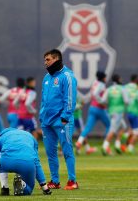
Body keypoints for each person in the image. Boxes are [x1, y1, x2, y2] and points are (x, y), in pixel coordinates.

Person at [40, 49, 78, 190]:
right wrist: (41, 115)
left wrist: (65, 117)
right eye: (45, 60)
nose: (45, 63)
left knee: (67, 150)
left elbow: (70, 98)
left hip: (61, 121)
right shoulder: (47, 78)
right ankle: (55, 181)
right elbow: (44, 99)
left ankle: (72, 181)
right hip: (47, 121)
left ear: (56, 59)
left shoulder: (67, 76)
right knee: (50, 153)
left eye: (48, 59)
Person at [0, 128, 52, 196]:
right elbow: (36, 162)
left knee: (0, 156)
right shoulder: (30, 136)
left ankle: (5, 188)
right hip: (27, 163)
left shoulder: (1, 139)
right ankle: (23, 185)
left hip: (7, 162)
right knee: (28, 189)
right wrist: (45, 187)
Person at [75, 71, 110, 153]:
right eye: (105, 77)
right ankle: (105, 145)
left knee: (87, 127)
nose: (105, 79)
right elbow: (95, 93)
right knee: (109, 125)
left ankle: (79, 142)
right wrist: (101, 101)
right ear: (102, 78)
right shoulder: (101, 85)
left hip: (92, 107)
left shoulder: (95, 83)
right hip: (100, 109)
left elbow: (92, 94)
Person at [101, 74, 128, 155]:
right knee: (113, 130)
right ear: (119, 79)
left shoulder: (109, 89)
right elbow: (126, 101)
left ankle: (117, 144)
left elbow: (103, 101)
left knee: (123, 127)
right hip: (119, 112)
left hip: (111, 112)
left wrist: (110, 103)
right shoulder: (122, 89)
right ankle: (105, 146)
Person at [74, 90, 97, 155]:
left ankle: (86, 148)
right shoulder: (71, 92)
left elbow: (83, 100)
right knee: (82, 133)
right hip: (75, 117)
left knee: (82, 133)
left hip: (74, 116)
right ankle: (86, 148)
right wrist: (79, 106)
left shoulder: (76, 92)